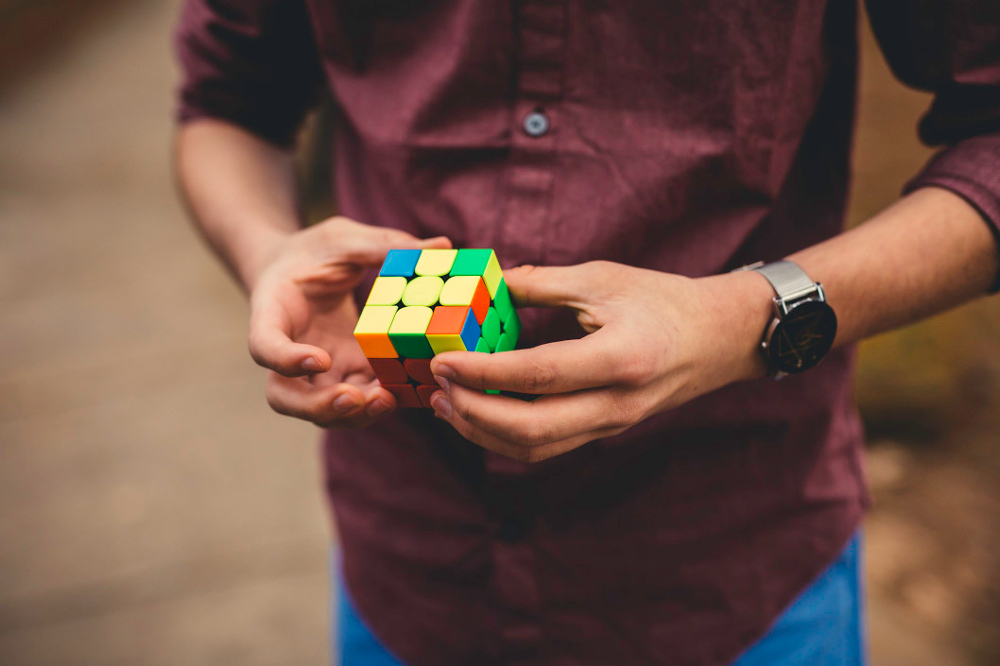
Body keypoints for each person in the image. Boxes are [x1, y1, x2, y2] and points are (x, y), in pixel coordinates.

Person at [173, 2, 1000, 665]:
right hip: (407, 564)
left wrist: (742, 320)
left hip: (740, 573)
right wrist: (267, 249)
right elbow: (223, 106)